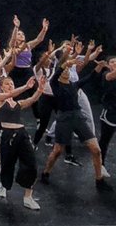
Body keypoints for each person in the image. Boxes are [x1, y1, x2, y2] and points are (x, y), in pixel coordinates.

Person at [40, 41, 111, 192]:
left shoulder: (73, 85)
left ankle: (99, 180)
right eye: (65, 71)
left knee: (96, 150)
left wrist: (99, 67)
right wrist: (67, 63)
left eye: (67, 71)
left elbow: (89, 78)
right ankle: (45, 173)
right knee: (58, 150)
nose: (66, 72)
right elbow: (58, 71)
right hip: (64, 119)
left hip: (77, 117)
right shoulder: (55, 84)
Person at [0, 73, 45, 209]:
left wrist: (40, 89)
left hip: (21, 134)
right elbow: (12, 94)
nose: (10, 85)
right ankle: (3, 184)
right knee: (6, 163)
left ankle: (28, 197)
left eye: (11, 83)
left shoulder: (18, 103)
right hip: (6, 135)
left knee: (31, 163)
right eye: (7, 84)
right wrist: (26, 87)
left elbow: (32, 99)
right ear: (1, 87)